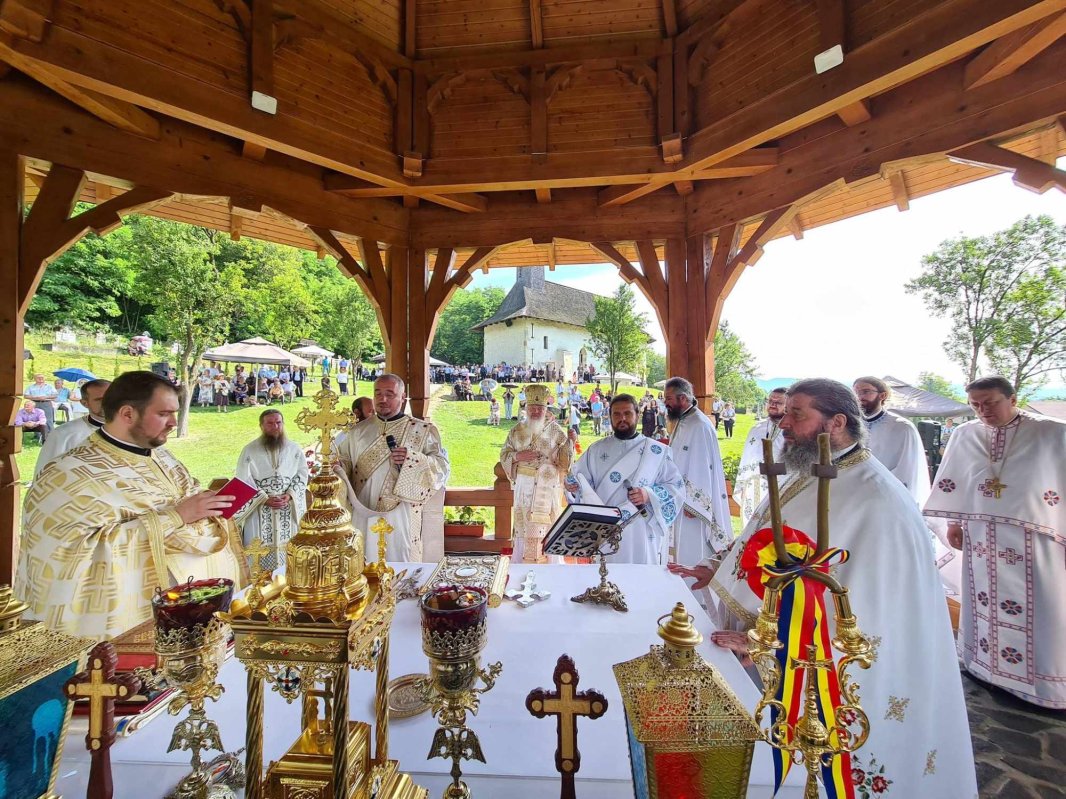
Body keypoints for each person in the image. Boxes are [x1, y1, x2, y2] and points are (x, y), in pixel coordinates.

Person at [682, 378, 977, 797]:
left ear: (836, 422)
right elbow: (766, 532)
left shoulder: (874, 499)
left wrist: (770, 643)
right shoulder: (818, 469)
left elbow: (869, 606)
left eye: (796, 414)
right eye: (785, 413)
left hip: (827, 671)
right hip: (776, 647)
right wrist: (713, 567)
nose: (782, 422)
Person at [17, 371, 247, 639]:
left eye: (175, 412)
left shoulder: (161, 456)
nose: (174, 422)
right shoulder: (68, 475)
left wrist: (207, 504)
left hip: (195, 616)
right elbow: (67, 559)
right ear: (127, 414)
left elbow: (185, 494)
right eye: (164, 414)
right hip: (123, 638)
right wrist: (175, 517)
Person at [925, 375, 1066, 709]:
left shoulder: (1052, 432)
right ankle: (985, 667)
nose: (982, 410)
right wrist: (955, 522)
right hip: (981, 536)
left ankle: (1044, 685)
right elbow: (955, 479)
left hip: (1036, 537)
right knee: (982, 600)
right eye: (975, 404)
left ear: (1012, 398)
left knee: (1046, 607)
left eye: (990, 402)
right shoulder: (965, 433)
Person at [335, 374, 450, 562]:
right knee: (363, 561)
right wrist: (339, 466)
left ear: (402, 398)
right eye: (378, 393)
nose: (383, 399)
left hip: (400, 510)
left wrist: (412, 460)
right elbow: (345, 461)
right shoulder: (356, 432)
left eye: (390, 394)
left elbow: (441, 468)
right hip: (362, 508)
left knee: (399, 558)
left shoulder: (422, 430)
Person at [565, 394, 684, 564]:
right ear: (610, 416)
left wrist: (647, 494)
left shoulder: (657, 451)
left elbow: (677, 487)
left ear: (637, 415)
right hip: (605, 529)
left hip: (641, 531)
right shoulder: (596, 450)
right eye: (617, 414)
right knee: (604, 580)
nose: (622, 418)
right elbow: (580, 481)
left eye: (627, 413)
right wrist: (572, 485)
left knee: (639, 582)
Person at [500, 385, 573, 563]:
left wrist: (570, 442)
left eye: (540, 408)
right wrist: (518, 456)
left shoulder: (556, 431)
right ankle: (522, 565)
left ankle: (550, 567)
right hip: (524, 488)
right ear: (526, 408)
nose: (536, 411)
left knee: (548, 528)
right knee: (524, 528)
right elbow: (504, 454)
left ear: (546, 409)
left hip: (547, 489)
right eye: (532, 408)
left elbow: (565, 463)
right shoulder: (516, 430)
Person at [663, 377, 732, 563]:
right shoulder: (685, 420)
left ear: (683, 398)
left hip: (691, 505)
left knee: (692, 550)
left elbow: (702, 466)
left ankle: (692, 589)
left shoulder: (699, 425)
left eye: (668, 398)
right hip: (679, 498)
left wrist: (694, 503)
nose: (665, 403)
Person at [236, 409, 310, 572]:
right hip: (259, 512)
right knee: (258, 561)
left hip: (286, 511)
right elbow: (243, 479)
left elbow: (302, 473)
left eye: (278, 422)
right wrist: (263, 498)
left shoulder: (294, 449)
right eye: (270, 423)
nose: (275, 426)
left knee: (289, 558)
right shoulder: (249, 450)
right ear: (261, 426)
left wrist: (290, 495)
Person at [853, 375, 930, 503]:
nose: (859, 397)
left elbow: (907, 470)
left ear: (882, 396)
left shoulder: (902, 427)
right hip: (854, 495)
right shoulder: (849, 425)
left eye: (865, 392)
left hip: (887, 497)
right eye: (856, 393)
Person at [733, 387, 787, 527]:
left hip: (780, 487)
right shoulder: (756, 429)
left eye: (778, 402)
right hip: (754, 487)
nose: (773, 404)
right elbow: (747, 458)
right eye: (770, 401)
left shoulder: (792, 431)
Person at [34, 379, 111, 477]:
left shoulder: (132, 431)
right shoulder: (63, 434)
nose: (108, 403)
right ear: (84, 403)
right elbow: (43, 474)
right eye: (100, 400)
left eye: (112, 398)